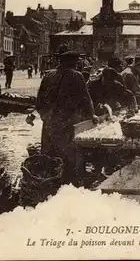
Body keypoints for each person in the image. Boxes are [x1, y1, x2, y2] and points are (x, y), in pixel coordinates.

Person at [36, 51, 98, 186]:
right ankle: (69, 184)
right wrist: (91, 115)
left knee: (49, 151)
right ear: (74, 62)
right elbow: (85, 98)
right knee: (69, 153)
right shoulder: (76, 75)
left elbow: (39, 99)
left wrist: (44, 116)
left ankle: (49, 182)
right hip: (68, 120)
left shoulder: (49, 74)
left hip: (49, 121)